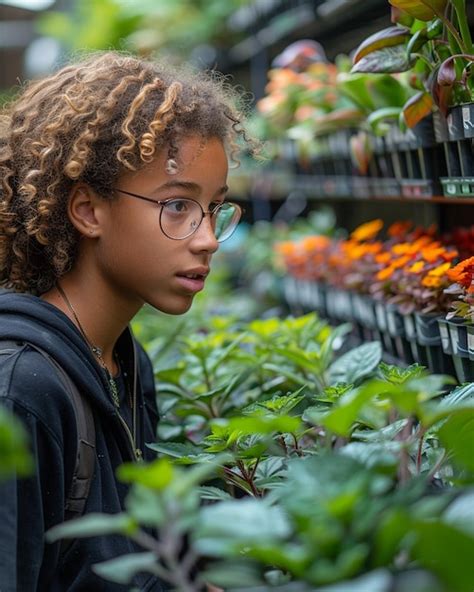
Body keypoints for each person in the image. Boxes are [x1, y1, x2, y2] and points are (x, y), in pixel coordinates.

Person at [0, 51, 253, 591]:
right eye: (178, 206)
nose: (208, 238)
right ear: (88, 210)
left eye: (215, 208)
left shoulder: (122, 358)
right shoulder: (22, 390)